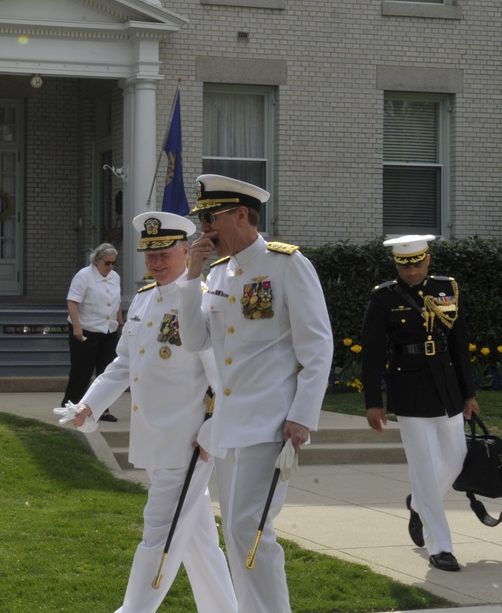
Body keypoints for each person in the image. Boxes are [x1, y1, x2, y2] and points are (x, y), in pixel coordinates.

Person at [177, 174, 333, 613]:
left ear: (240, 214)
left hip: (271, 421)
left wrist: (302, 415)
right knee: (238, 533)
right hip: (230, 424)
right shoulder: (219, 273)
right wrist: (191, 278)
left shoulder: (287, 264)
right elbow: (195, 341)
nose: (203, 229)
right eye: (202, 220)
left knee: (251, 530)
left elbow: (317, 346)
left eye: (210, 218)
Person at [67, 212, 238, 613]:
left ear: (186, 251)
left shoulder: (203, 299)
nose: (157, 263)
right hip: (154, 438)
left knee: (159, 530)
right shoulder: (145, 299)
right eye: (149, 255)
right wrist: (89, 404)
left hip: (188, 442)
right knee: (197, 538)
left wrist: (215, 428)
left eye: (165, 254)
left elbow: (223, 377)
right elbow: (124, 365)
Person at [361, 235, 479, 572]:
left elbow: (459, 340)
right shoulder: (383, 297)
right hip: (409, 388)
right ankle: (440, 546)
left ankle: (418, 504)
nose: (411, 270)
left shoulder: (445, 288)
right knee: (424, 468)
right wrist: (373, 402)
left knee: (456, 461)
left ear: (428, 261)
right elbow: (371, 353)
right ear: (396, 265)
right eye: (404, 264)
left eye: (417, 263)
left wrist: (469, 394)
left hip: (447, 386)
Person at [61, 242, 124, 421]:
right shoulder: (84, 276)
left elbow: (116, 303)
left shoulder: (115, 277)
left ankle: (102, 409)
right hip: (86, 329)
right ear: (97, 261)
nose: (110, 267)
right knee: (82, 371)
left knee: (106, 372)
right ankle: (70, 405)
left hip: (108, 330)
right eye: (107, 263)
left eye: (114, 263)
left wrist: (121, 324)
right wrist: (76, 326)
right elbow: (72, 302)